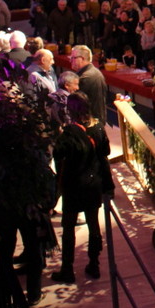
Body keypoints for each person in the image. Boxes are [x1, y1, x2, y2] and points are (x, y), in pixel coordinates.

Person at [52, 92, 111, 284]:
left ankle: (67, 269)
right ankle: (94, 264)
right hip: (93, 182)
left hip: (73, 184)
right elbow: (106, 152)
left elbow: (58, 154)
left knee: (68, 227)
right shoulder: (98, 127)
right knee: (93, 224)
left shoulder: (69, 132)